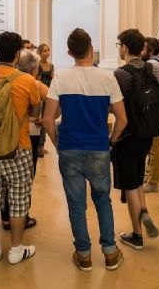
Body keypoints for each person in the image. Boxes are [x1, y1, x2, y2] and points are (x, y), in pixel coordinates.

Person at [42, 28, 127, 271]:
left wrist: (57, 142)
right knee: (103, 200)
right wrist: (111, 140)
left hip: (69, 147)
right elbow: (122, 119)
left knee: (76, 204)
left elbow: (48, 119)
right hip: (99, 147)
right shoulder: (108, 78)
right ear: (91, 48)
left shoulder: (60, 78)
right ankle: (110, 253)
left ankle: (83, 254)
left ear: (70, 52)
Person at [0, 31, 40, 265]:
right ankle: (16, 249)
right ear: (17, 54)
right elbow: (35, 110)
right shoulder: (27, 81)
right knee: (18, 201)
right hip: (19, 147)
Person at [113, 28, 159, 250]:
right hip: (147, 134)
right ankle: (143, 211)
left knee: (130, 185)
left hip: (128, 135)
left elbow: (117, 111)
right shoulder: (150, 69)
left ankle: (137, 235)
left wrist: (113, 138)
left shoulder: (121, 74)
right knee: (138, 179)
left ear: (124, 47)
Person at [141, 37, 159, 193]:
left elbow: (147, 90)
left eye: (144, 48)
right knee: (151, 144)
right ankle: (150, 176)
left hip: (151, 109)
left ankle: (152, 181)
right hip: (154, 108)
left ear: (150, 50)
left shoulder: (152, 65)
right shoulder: (158, 63)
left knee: (153, 145)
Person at [36, 43, 54, 157]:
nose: (47, 53)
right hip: (40, 94)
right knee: (39, 119)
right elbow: (37, 80)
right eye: (44, 51)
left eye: (48, 50)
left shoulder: (51, 66)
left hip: (49, 94)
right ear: (39, 52)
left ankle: (42, 145)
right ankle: (38, 146)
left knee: (46, 119)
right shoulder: (38, 65)